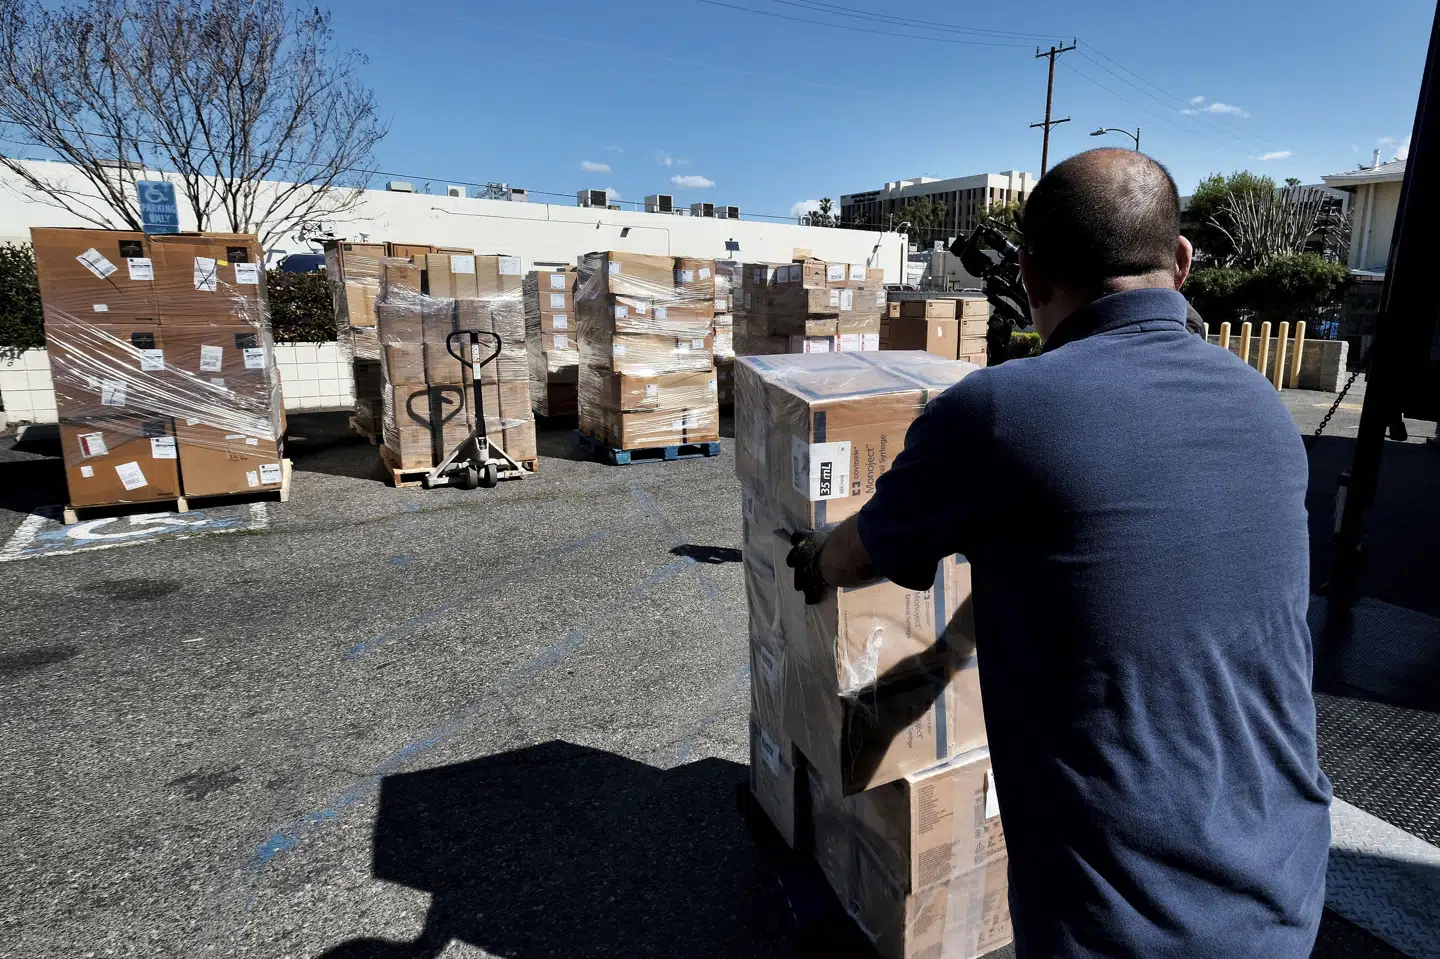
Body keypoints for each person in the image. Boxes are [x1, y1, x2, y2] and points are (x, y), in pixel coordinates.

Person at [786, 149, 1332, 957]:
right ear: (1180, 262)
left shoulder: (1002, 415)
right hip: (1287, 887)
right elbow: (1125, 573)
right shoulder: (1265, 409)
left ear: (1030, 275)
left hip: (1123, 922)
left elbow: (861, 555)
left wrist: (812, 556)